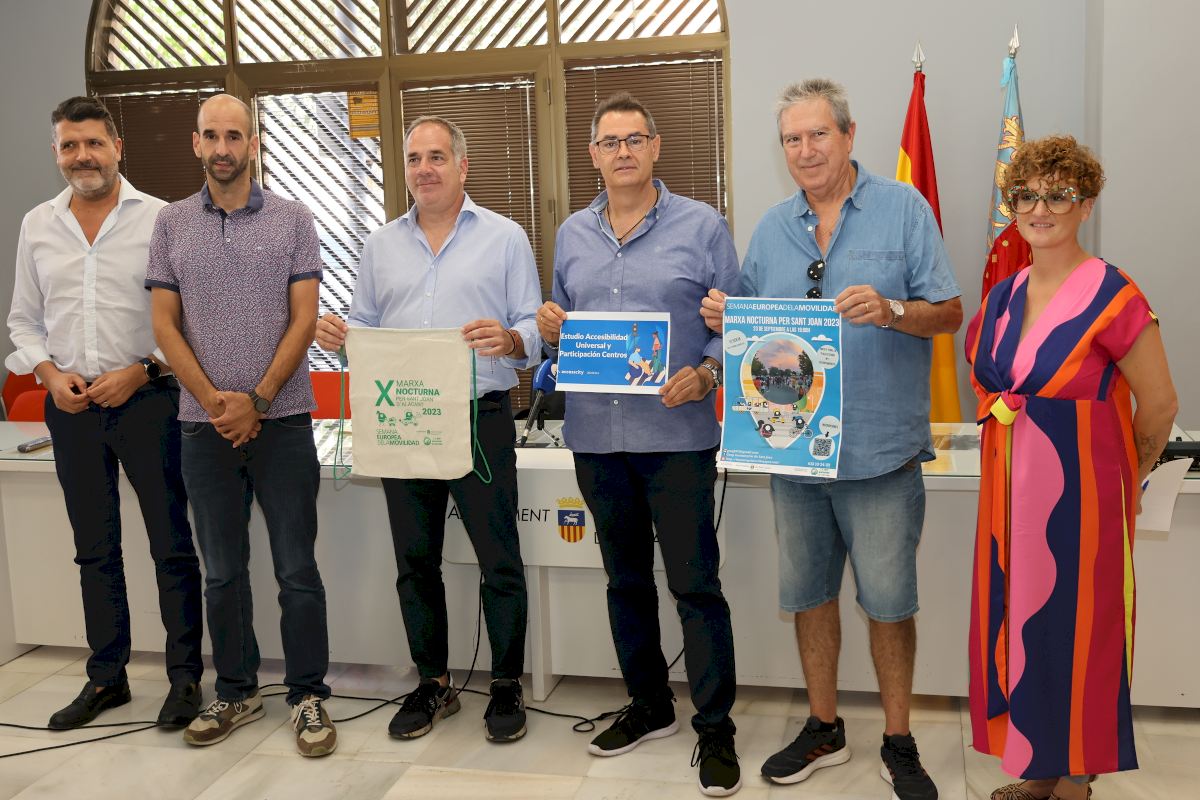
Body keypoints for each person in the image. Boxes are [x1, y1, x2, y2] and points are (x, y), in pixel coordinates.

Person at [701, 79, 962, 800]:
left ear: (849, 135)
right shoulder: (771, 229)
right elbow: (753, 332)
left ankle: (899, 740)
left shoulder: (903, 209)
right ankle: (823, 727)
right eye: (792, 138)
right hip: (794, 454)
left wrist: (893, 309)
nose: (806, 149)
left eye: (819, 134)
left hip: (879, 453)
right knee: (811, 596)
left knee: (888, 603)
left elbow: (949, 312)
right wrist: (726, 318)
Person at [537, 92, 742, 797]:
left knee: (695, 586)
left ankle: (715, 727)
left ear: (655, 147)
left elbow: (736, 325)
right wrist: (551, 329)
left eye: (634, 139)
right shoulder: (571, 234)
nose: (622, 152)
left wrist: (708, 371)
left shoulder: (703, 226)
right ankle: (650, 705)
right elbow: (564, 334)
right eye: (609, 142)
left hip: (678, 438)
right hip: (596, 439)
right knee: (624, 581)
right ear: (593, 155)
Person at [315, 115, 541, 743]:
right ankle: (434, 683)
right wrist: (338, 337)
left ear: (462, 165)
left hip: (478, 419)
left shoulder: (505, 238)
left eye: (437, 157)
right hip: (404, 422)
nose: (424, 169)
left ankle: (506, 685)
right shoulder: (379, 245)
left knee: (500, 560)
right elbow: (362, 330)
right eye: (414, 159)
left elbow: (533, 327)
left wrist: (512, 337)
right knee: (415, 562)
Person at [965, 136, 1177, 800]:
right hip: (1007, 499)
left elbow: (1160, 403)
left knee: (1078, 631)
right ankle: (1038, 770)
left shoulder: (1114, 294)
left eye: (1059, 195)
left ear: (1086, 205)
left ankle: (1074, 783)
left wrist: (1124, 481)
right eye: (1027, 195)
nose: (1040, 208)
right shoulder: (1004, 297)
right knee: (1021, 623)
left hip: (1082, 501)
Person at [6, 96, 204, 731]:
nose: (82, 156)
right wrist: (47, 374)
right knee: (94, 550)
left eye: (93, 143)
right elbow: (23, 321)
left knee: (171, 546)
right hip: (71, 407)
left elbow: (188, 320)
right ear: (56, 153)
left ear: (118, 147)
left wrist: (142, 369)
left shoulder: (163, 219)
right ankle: (106, 678)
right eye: (69, 145)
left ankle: (184, 679)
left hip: (148, 400)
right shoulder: (38, 224)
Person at [147, 94, 336, 757]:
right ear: (196, 144)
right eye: (212, 136)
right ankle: (236, 691)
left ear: (252, 143)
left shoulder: (293, 218)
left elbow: (305, 318)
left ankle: (307, 695)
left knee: (296, 570)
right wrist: (215, 402)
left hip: (283, 423)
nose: (223, 147)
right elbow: (164, 324)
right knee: (222, 573)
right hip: (203, 430)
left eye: (235, 136)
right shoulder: (171, 223)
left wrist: (256, 400)